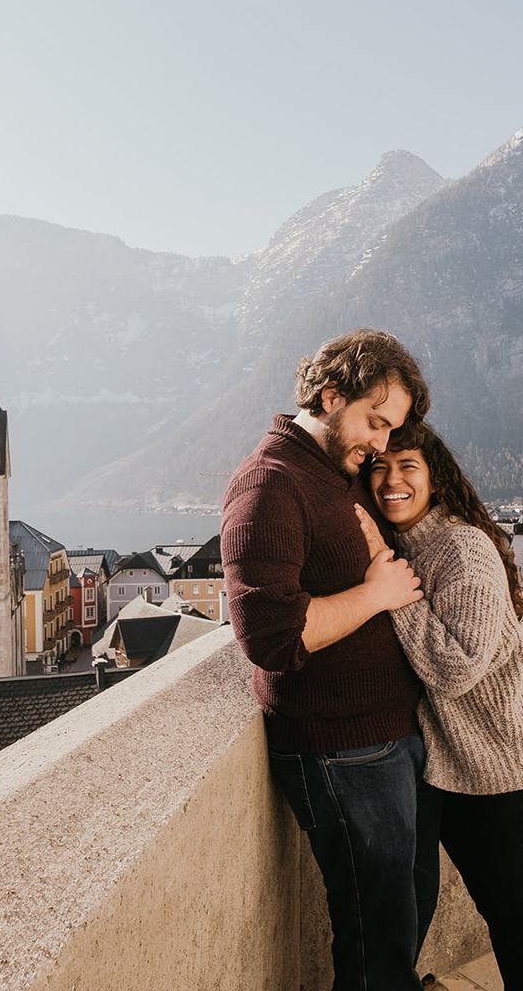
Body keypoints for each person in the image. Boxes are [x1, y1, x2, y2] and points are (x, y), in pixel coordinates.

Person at [221, 329, 442, 991]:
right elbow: (270, 638)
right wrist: (376, 595)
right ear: (330, 394)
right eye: (375, 422)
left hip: (385, 738)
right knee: (377, 939)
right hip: (339, 751)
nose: (381, 444)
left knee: (402, 915)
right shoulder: (268, 486)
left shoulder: (328, 473)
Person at [356, 424, 523, 990]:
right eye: (379, 466)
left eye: (408, 466)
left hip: (507, 783)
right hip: (449, 780)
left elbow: (456, 668)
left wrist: (392, 592)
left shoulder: (462, 548)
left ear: (435, 477)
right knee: (496, 927)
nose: (392, 480)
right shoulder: (407, 547)